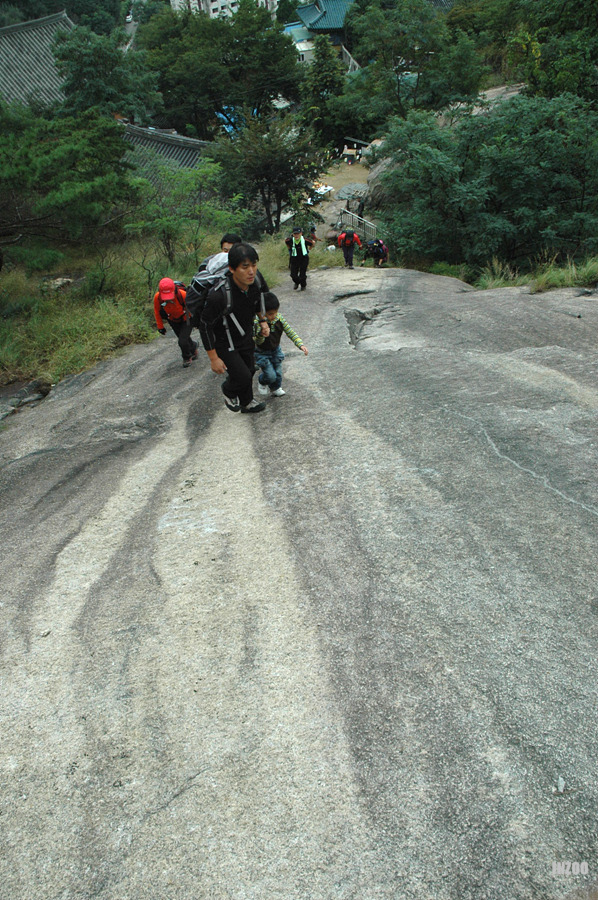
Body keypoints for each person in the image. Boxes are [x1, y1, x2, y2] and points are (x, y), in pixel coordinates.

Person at [199, 242, 269, 414]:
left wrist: (263, 321)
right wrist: (213, 358)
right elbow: (204, 325)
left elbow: (260, 299)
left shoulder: (256, 281)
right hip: (224, 341)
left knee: (250, 369)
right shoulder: (219, 294)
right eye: (245, 267)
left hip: (245, 334)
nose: (251, 271)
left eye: (253, 265)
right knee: (242, 375)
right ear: (232, 269)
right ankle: (228, 390)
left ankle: (246, 402)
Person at [254, 292, 308, 397]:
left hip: (276, 350)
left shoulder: (279, 319)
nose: (273, 316)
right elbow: (257, 341)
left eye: (275, 312)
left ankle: (275, 387)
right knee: (270, 375)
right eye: (269, 314)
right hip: (262, 352)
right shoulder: (257, 323)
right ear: (261, 313)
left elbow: (290, 332)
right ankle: (262, 381)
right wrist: (261, 334)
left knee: (278, 372)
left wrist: (300, 345)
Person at [153, 277, 198, 368]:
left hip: (187, 319)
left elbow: (194, 307)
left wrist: (198, 321)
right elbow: (157, 311)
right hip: (173, 320)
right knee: (184, 338)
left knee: (182, 340)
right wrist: (160, 326)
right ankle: (194, 347)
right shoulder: (158, 298)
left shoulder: (183, 295)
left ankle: (186, 357)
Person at [285, 226, 315, 291]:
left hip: (303, 258)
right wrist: (290, 249)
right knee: (293, 275)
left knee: (302, 275)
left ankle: (303, 286)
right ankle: (297, 282)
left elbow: (313, 243)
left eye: (298, 234)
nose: (296, 235)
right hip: (294, 258)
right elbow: (286, 242)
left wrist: (308, 250)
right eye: (295, 234)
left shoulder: (305, 240)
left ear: (301, 233)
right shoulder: (289, 240)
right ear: (293, 234)